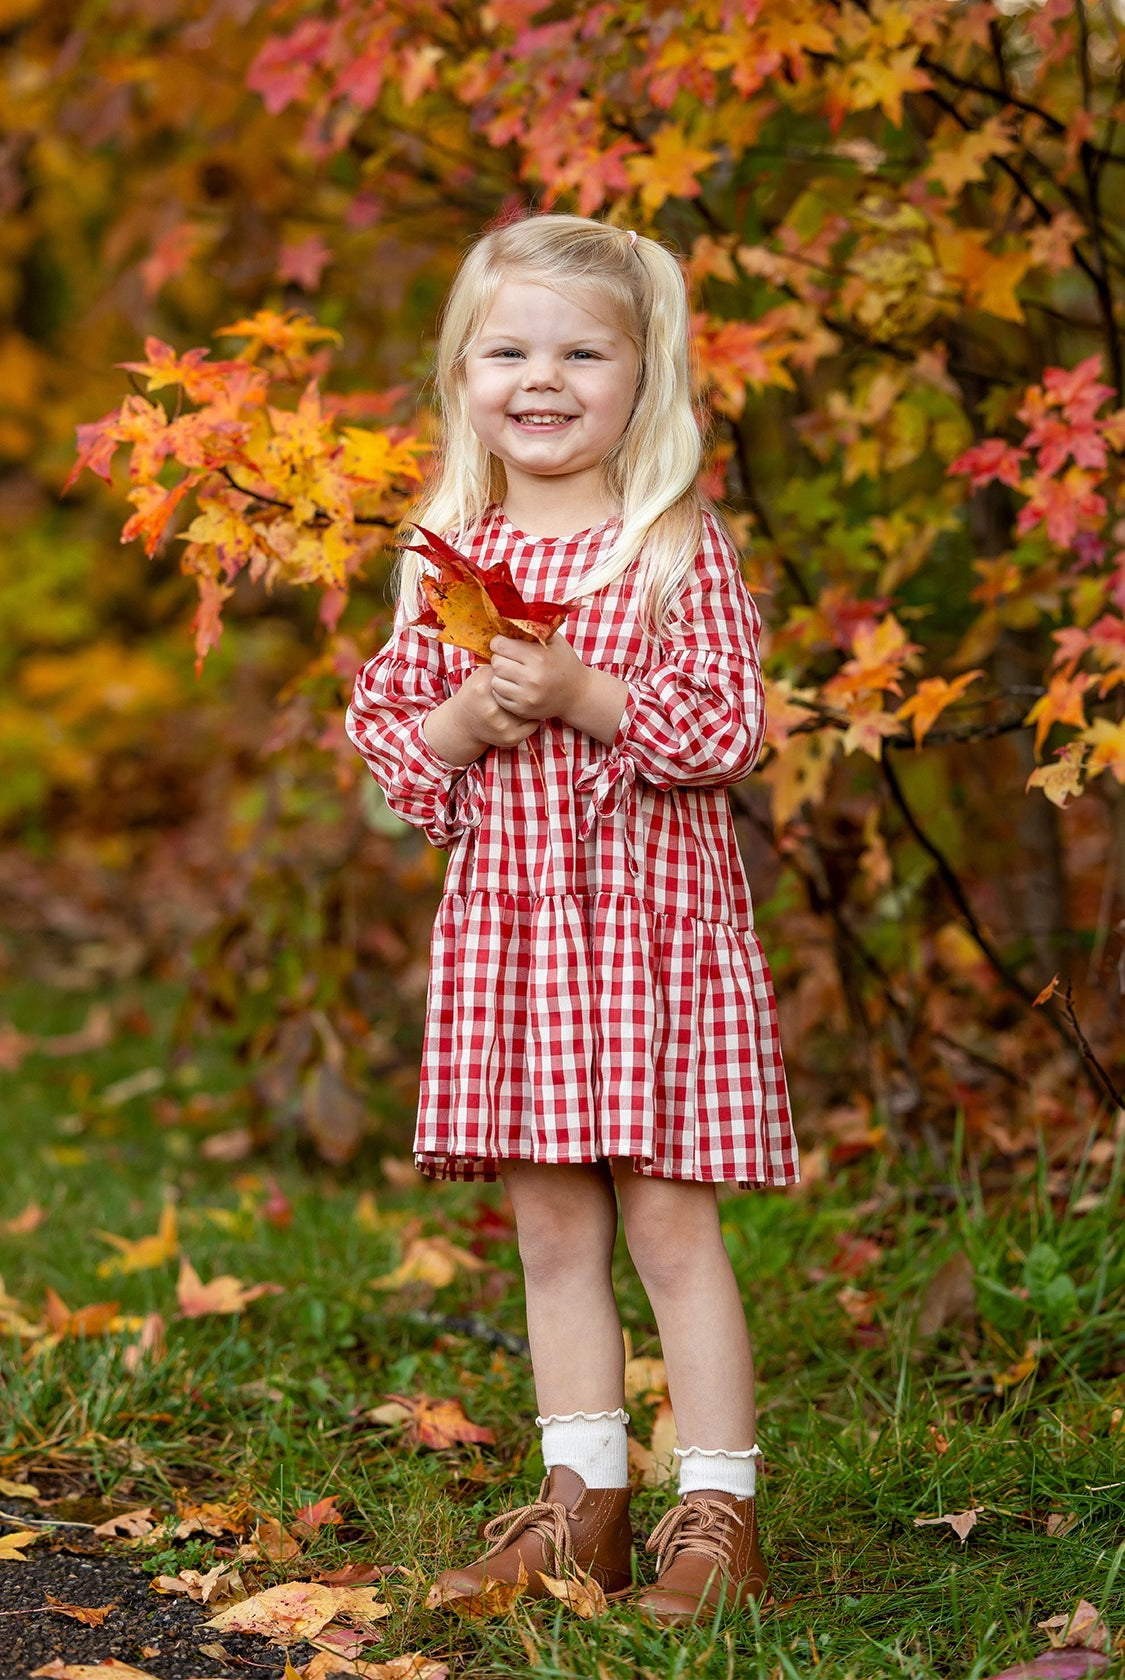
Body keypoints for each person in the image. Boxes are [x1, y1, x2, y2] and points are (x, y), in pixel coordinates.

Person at [346, 213, 798, 1625]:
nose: (541, 378)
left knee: (668, 1227)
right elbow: (386, 743)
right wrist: (469, 714)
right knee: (550, 1234)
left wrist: (591, 698)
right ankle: (580, 1502)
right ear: (462, 374)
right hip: (521, 954)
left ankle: (714, 1512)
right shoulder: (450, 567)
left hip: (653, 946)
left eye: (580, 352)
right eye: (509, 350)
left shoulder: (668, 547)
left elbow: (730, 724)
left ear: (638, 378)